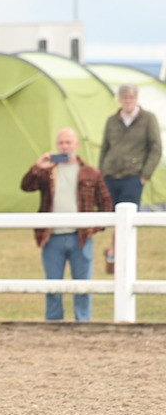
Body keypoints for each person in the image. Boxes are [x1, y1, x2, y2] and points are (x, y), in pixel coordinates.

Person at [20, 128, 112, 321]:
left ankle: (83, 322)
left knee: (83, 286)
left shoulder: (91, 173)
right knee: (53, 286)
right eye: (61, 143)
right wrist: (38, 166)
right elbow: (26, 186)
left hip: (81, 238)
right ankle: (54, 323)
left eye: (68, 142)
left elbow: (106, 204)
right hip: (52, 238)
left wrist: (92, 228)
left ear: (76, 144)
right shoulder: (47, 172)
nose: (64, 146)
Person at [99, 85, 161, 272]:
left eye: (130, 98)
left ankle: (114, 256)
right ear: (119, 99)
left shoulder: (148, 119)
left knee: (126, 219)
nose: (127, 101)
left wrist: (144, 175)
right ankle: (115, 254)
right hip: (111, 176)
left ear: (136, 98)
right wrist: (101, 172)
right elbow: (105, 148)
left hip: (133, 177)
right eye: (124, 98)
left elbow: (155, 148)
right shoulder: (112, 120)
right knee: (112, 219)